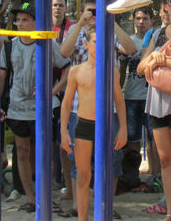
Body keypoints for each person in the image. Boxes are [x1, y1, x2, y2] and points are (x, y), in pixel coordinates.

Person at [0, 3, 70, 212]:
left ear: (35, 22)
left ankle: (45, 195)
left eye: (25, 19)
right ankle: (30, 197)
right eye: (18, 20)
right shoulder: (9, 45)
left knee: (45, 152)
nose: (20, 24)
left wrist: (52, 90)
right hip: (17, 107)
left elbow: (68, 67)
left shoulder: (48, 43)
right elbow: (3, 76)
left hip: (43, 108)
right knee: (21, 151)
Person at [60, 27, 127, 221]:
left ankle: (102, 214)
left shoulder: (112, 71)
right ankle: (83, 218)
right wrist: (64, 131)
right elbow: (66, 102)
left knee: (105, 173)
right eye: (96, 42)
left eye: (103, 42)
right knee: (83, 175)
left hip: (106, 125)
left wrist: (122, 128)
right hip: (84, 124)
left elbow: (119, 100)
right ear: (87, 44)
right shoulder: (76, 71)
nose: (99, 46)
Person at [137, 0, 171, 221]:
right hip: (157, 102)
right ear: (165, 6)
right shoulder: (158, 34)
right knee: (164, 159)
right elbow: (141, 68)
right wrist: (154, 58)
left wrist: (165, 62)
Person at [118, 7, 153, 191]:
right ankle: (132, 177)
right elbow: (122, 69)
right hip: (131, 96)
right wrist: (118, 92)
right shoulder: (128, 43)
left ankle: (155, 175)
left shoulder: (155, 39)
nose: (141, 22)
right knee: (132, 138)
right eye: (138, 18)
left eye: (145, 18)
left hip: (150, 96)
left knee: (153, 138)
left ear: (151, 20)